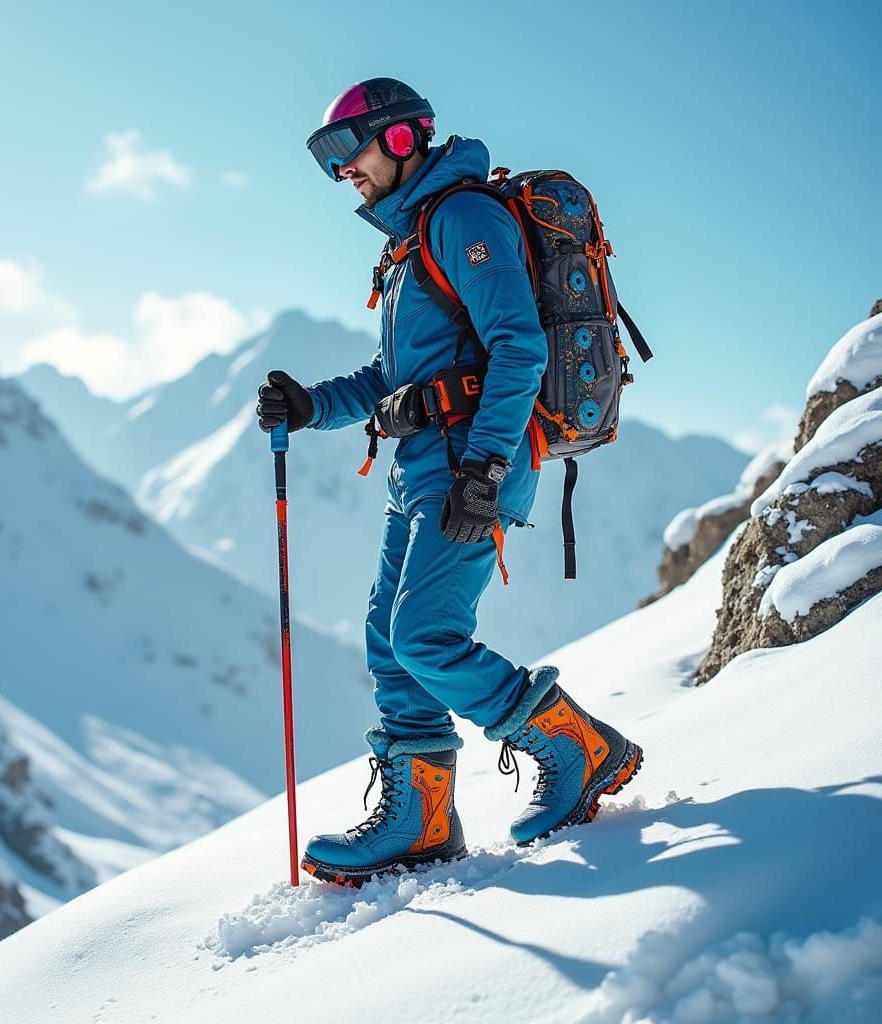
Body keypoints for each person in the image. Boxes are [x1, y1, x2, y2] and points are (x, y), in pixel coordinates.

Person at [257, 77, 642, 885]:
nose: (340, 170)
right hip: (423, 468)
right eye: (327, 157)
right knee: (389, 642)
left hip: (471, 464)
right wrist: (310, 406)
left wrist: (485, 469)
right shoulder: (408, 244)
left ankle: (576, 747)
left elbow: (518, 348)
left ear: (401, 139)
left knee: (425, 636)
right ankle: (423, 820)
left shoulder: (464, 218)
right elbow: (393, 377)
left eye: (347, 148)